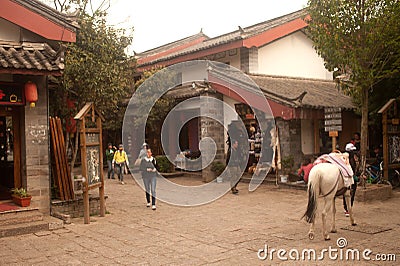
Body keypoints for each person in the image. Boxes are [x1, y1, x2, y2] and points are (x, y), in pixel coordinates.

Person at [343, 138, 359, 217]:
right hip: (347, 179)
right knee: (347, 194)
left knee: (351, 194)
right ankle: (346, 209)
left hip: (353, 179)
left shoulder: (353, 158)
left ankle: (349, 208)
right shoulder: (345, 160)